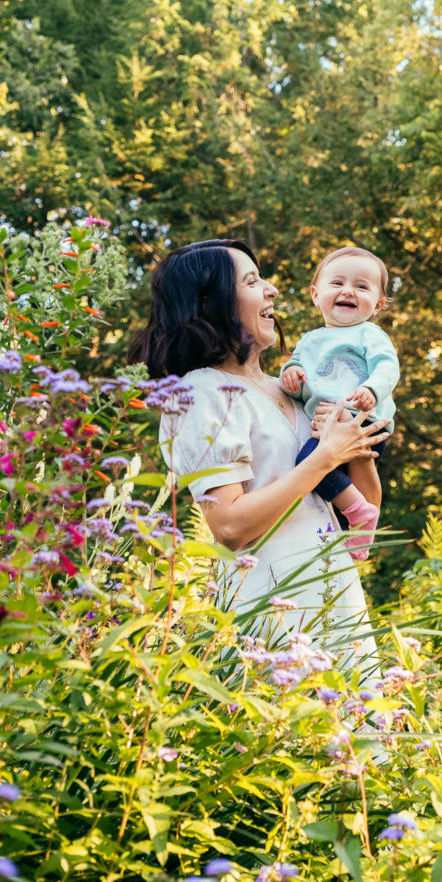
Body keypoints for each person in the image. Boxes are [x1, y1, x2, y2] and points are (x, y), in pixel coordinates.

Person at [127, 238, 385, 669]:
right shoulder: (200, 392)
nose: (272, 290)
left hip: (338, 607)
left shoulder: (294, 391)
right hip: (271, 618)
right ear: (212, 303)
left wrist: (354, 449)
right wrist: (324, 458)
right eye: (251, 281)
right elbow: (229, 526)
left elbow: (366, 510)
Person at [279, 247, 399, 561]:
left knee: (308, 462)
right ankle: (350, 529)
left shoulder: (369, 333)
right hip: (325, 429)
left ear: (378, 304)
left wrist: (371, 389)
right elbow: (295, 377)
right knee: (314, 472)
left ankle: (361, 515)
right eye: (337, 283)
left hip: (364, 422)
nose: (348, 290)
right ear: (316, 294)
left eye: (362, 286)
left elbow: (388, 368)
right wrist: (290, 375)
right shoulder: (308, 341)